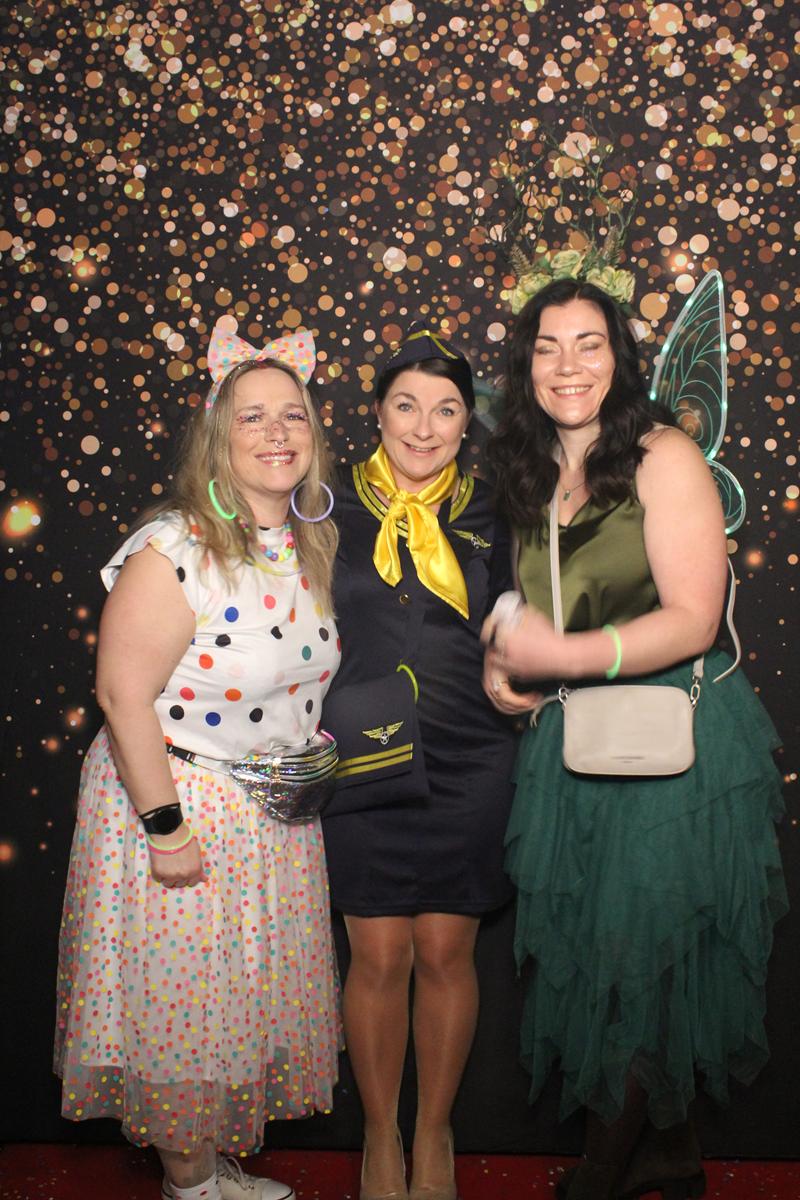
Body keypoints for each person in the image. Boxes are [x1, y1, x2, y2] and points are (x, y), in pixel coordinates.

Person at [484, 278, 787, 1200]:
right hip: (577, 739)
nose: (568, 365)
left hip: (673, 744)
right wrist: (512, 676)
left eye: (589, 343)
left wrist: (563, 656)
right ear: (526, 365)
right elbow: (543, 611)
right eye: (547, 347)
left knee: (639, 953)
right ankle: (671, 1150)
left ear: (620, 357)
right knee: (602, 950)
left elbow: (693, 618)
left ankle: (604, 1168)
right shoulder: (533, 471)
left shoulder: (663, 453)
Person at [54, 323, 341, 1200]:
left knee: (230, 1008)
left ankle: (205, 1169)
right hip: (186, 806)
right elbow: (121, 694)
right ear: (218, 436)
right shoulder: (176, 546)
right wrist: (166, 827)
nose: (277, 433)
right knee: (185, 1009)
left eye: (292, 415)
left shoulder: (304, 545)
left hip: (266, 817)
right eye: (252, 416)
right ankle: (192, 1188)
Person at [321, 326, 517, 1200]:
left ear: (467, 421)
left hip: (471, 759)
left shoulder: (495, 513)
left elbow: (517, 623)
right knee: (377, 957)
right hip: (361, 761)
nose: (424, 427)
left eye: (445, 409)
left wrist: (521, 671)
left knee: (444, 952)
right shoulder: (323, 509)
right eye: (406, 405)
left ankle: (434, 1133)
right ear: (377, 412)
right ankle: (380, 1138)